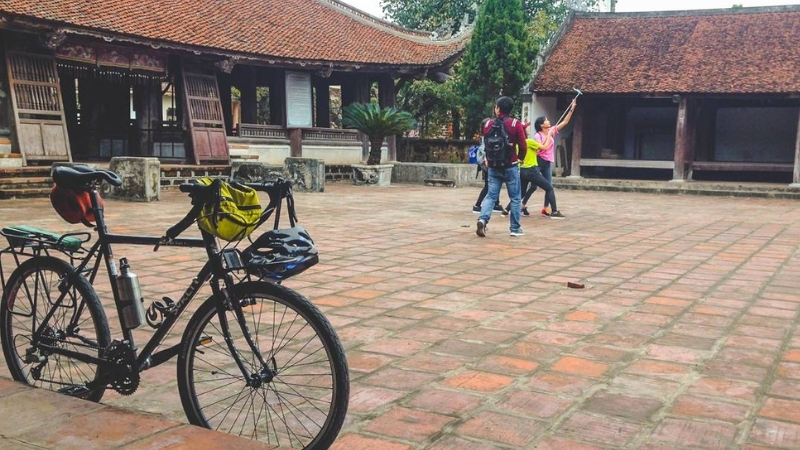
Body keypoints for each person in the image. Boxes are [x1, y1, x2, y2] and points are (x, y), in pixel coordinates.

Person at [476, 96, 527, 238]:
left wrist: (487, 158)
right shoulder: (515, 124)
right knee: (515, 198)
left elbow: (486, 144)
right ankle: (515, 229)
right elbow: (523, 146)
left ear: (498, 108)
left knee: (491, 196)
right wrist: (520, 158)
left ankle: (482, 219)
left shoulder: (487, 125)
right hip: (510, 164)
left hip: (493, 165)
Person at [533, 98, 576, 219]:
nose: (548, 121)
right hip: (538, 161)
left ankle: (550, 209)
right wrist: (549, 136)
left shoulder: (551, 131)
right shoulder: (538, 136)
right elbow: (543, 148)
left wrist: (572, 107)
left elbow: (565, 122)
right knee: (531, 187)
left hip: (547, 162)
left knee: (549, 186)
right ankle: (519, 206)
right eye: (546, 120)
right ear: (542, 125)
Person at [503, 138, 564, 219]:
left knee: (521, 193)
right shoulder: (529, 141)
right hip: (531, 170)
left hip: (522, 170)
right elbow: (545, 147)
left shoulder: (516, 143)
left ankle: (506, 210)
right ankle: (554, 212)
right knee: (549, 188)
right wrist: (549, 134)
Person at [473, 118, 506, 215]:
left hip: (488, 164)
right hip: (487, 164)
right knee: (488, 185)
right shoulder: (485, 137)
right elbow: (484, 150)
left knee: (496, 183)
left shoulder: (486, 136)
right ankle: (477, 205)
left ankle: (496, 204)